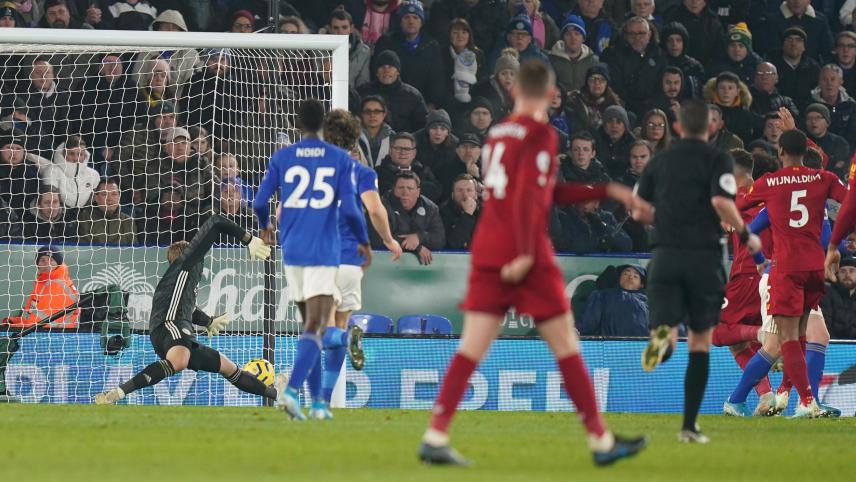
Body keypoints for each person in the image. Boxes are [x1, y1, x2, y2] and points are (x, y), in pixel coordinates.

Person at [419, 59, 645, 467]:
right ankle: (600, 441)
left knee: (471, 346)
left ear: (514, 92)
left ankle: (435, 434)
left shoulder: (496, 136)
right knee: (566, 346)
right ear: (549, 94)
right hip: (526, 253)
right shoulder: (542, 135)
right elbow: (528, 195)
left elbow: (538, 192)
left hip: (489, 248)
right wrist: (524, 252)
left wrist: (606, 188)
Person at [633, 98, 761, 442]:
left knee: (668, 327)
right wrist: (747, 235)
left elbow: (638, 211)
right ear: (712, 127)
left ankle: (663, 338)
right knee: (701, 342)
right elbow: (722, 202)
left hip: (665, 256)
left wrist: (664, 219)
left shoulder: (658, 160)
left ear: (676, 127)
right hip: (703, 258)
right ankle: (689, 427)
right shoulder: (718, 158)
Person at [252, 99, 369, 420]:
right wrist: (363, 241)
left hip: (292, 251)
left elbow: (260, 201)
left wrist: (265, 228)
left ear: (298, 125)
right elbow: (349, 209)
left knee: (310, 327)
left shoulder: (283, 156)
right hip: (323, 251)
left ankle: (317, 403)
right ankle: (290, 392)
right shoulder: (338, 159)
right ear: (323, 124)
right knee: (316, 328)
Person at [93, 215, 275, 405]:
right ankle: (116, 394)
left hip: (180, 331)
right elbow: (216, 221)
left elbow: (188, 308)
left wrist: (208, 322)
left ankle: (276, 394)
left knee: (229, 368)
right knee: (179, 361)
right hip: (169, 326)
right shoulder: (185, 265)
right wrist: (249, 239)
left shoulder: (179, 283)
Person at [737, 128, 847, 418]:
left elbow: (740, 209)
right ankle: (795, 398)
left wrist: (760, 256)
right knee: (800, 337)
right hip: (815, 269)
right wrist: (837, 244)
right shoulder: (823, 179)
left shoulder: (770, 183)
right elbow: (849, 202)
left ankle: (807, 402)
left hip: (785, 268)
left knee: (786, 340)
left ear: (780, 152)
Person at [316, 109, 402, 418]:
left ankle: (345, 339)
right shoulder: (363, 173)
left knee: (323, 331)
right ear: (355, 139)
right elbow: (376, 210)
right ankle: (324, 402)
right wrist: (390, 240)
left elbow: (286, 212)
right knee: (340, 323)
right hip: (352, 262)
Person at [710, 149, 774, 415]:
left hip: (746, 273)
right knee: (741, 343)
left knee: (719, 331)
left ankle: (760, 333)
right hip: (772, 275)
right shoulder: (770, 194)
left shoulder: (736, 200)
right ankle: (766, 395)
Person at [374, 171, 445, 265]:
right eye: (400, 188)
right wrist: (416, 247)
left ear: (418, 192)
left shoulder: (431, 208)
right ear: (393, 189)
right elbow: (379, 238)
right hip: (383, 264)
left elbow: (440, 239)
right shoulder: (381, 206)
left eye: (410, 188)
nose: (405, 192)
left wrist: (419, 237)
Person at [2, 246, 79, 329]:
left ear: (58, 263)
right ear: (38, 264)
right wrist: (13, 321)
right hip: (42, 334)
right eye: (42, 260)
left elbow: (38, 325)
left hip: (56, 336)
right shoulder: (43, 283)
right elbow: (30, 318)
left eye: (51, 260)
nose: (47, 264)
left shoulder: (58, 285)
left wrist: (12, 327)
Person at [578, 265, 649, 336]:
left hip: (642, 345)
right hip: (610, 345)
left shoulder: (649, 302)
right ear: (619, 279)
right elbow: (588, 323)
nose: (630, 277)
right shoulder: (602, 296)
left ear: (641, 284)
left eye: (635, 276)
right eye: (626, 274)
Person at [77, 178, 138, 245]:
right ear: (96, 198)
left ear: (119, 197)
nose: (109, 199)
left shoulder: (128, 220)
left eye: (114, 194)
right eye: (104, 194)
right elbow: (85, 250)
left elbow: (133, 251)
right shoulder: (85, 218)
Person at [548, 13, 599, 94]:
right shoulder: (551, 60)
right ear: (563, 38)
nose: (573, 38)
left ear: (583, 38)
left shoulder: (593, 61)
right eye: (568, 34)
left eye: (577, 34)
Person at [805, 104, 852, 181]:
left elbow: (840, 169)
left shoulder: (839, 143)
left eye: (818, 117)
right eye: (809, 118)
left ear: (827, 122)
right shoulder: (801, 141)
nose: (813, 121)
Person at [440, 174, 481, 250]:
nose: (465, 195)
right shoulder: (443, 212)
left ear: (476, 195)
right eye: (459, 190)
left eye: (469, 190)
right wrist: (468, 214)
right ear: (453, 195)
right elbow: (454, 244)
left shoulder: (485, 212)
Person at [821, 256, 856, 339]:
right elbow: (825, 325)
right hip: (833, 345)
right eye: (843, 271)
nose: (847, 275)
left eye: (852, 271)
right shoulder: (827, 292)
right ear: (837, 274)